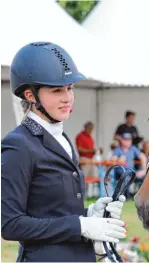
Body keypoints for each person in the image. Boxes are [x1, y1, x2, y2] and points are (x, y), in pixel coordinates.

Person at [1, 42, 126, 262]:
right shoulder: (18, 145)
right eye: (57, 90)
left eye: (70, 88)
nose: (68, 97)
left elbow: (54, 211)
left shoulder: (63, 138)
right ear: (30, 95)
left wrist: (89, 213)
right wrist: (81, 225)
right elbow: (10, 225)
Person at [111, 133, 146, 198]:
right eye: (125, 140)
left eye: (129, 140)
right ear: (121, 140)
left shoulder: (133, 148)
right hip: (121, 171)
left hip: (131, 171)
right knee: (126, 177)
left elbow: (143, 157)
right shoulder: (118, 149)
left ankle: (141, 197)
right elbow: (113, 161)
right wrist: (119, 160)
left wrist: (143, 170)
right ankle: (126, 197)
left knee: (144, 176)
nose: (127, 142)